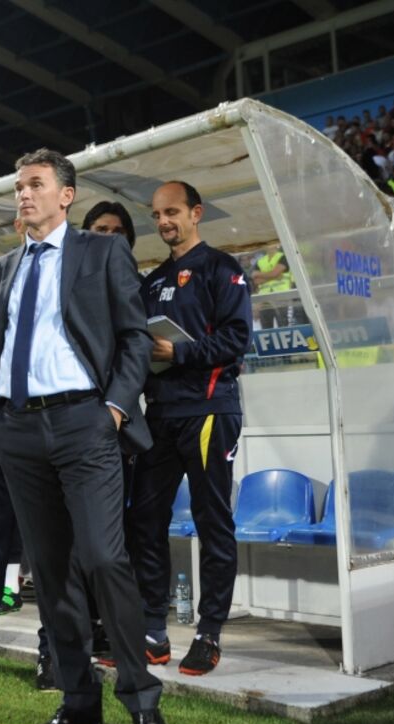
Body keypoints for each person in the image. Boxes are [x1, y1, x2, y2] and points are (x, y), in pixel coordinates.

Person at [0, 148, 170, 724]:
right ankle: (78, 701)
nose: (23, 194)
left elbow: (135, 337)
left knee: (104, 558)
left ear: (66, 195)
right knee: (51, 570)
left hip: (85, 422)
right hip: (18, 431)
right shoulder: (1, 269)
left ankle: (142, 703)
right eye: (18, 186)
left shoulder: (101, 252)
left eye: (35, 184)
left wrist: (113, 409)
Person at [125, 180, 252, 678]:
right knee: (145, 522)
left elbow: (237, 339)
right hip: (160, 416)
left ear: (196, 213)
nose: (164, 222)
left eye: (172, 212)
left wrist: (179, 352)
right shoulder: (152, 281)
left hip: (208, 411)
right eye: (157, 215)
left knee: (211, 521)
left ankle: (208, 633)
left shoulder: (221, 268)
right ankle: (152, 631)